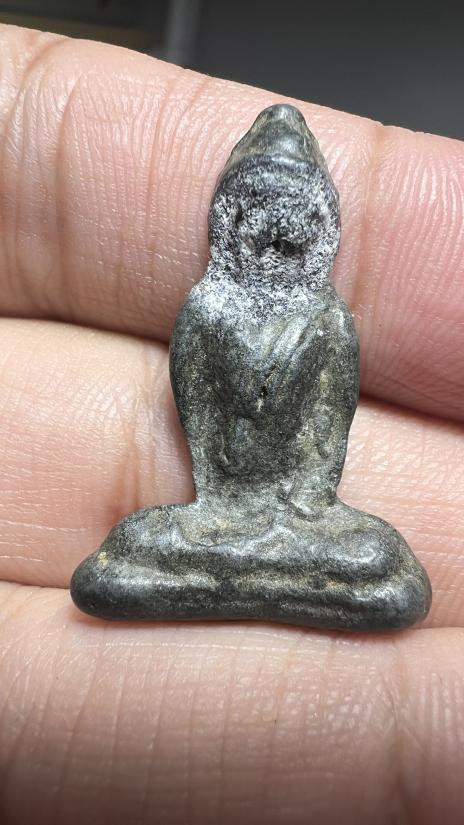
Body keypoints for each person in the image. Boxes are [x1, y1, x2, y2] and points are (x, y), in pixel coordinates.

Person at [0, 23, 462, 825]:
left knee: (375, 558)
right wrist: (223, 509)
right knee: (137, 543)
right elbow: (203, 433)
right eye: (261, 213)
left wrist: (303, 506)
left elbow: (326, 441)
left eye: (295, 217)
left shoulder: (328, 322)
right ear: (229, 218)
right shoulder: (207, 313)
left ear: (321, 226)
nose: (278, 231)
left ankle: (251, 563)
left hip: (300, 514)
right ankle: (235, 561)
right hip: (222, 507)